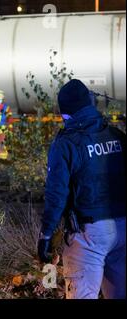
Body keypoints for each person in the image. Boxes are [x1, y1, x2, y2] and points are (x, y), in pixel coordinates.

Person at [37, 79, 126, 299]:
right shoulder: (117, 137)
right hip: (123, 229)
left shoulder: (66, 144)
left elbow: (56, 194)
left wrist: (46, 234)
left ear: (66, 113)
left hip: (88, 235)